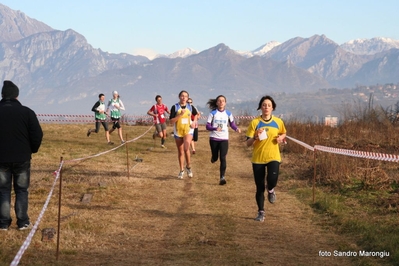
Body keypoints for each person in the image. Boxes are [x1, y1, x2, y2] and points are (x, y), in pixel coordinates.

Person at [0, 80, 43, 231]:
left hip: (1, 159)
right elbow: (37, 134)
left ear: (3, 95)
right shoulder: (27, 112)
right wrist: (32, 149)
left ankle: (3, 223)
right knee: (21, 190)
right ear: (17, 96)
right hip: (22, 158)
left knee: (3, 190)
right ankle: (23, 222)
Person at [246, 95, 286, 222]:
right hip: (258, 158)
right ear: (260, 107)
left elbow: (284, 133)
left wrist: (281, 138)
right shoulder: (255, 122)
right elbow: (248, 143)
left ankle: (271, 189)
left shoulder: (278, 122)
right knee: (259, 187)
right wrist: (256, 137)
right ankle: (261, 212)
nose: (266, 107)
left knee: (272, 179)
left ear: (272, 107)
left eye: (269, 105)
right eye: (264, 105)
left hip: (273, 156)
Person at [206, 95, 241, 185]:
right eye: (219, 101)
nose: (221, 102)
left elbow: (232, 124)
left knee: (223, 158)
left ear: (225, 103)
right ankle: (213, 157)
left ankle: (222, 177)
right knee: (215, 157)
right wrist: (214, 128)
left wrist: (236, 129)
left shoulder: (228, 114)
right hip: (214, 138)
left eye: (223, 101)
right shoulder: (213, 113)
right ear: (217, 103)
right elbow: (207, 126)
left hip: (224, 138)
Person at [169, 90, 198, 179]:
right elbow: (171, 121)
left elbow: (196, 114)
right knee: (180, 152)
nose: (184, 97)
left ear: (187, 98)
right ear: (179, 97)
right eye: (182, 96)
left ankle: (188, 167)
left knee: (186, 148)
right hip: (178, 131)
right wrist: (180, 115)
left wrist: (194, 122)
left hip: (188, 130)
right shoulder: (175, 107)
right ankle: (181, 170)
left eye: (185, 96)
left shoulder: (190, 106)